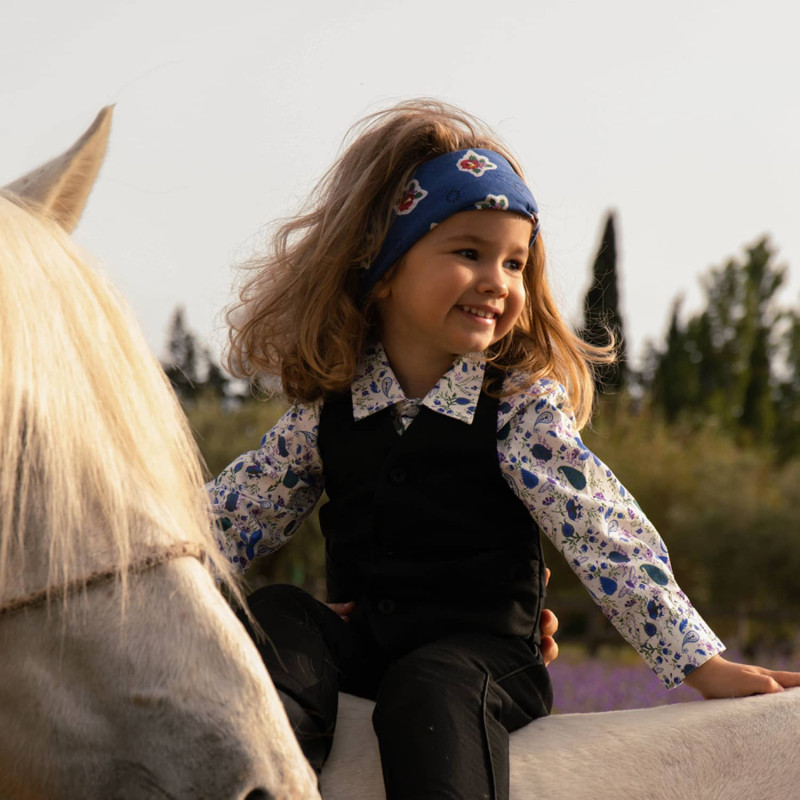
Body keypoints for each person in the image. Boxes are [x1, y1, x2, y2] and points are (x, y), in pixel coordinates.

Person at [208, 99, 800, 799]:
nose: (499, 280)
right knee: (275, 612)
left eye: (516, 262)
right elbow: (228, 519)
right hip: (366, 644)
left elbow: (604, 536)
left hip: (485, 656)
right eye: (468, 252)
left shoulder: (519, 408)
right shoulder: (327, 411)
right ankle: (260, 784)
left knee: (426, 690)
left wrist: (701, 663)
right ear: (385, 267)